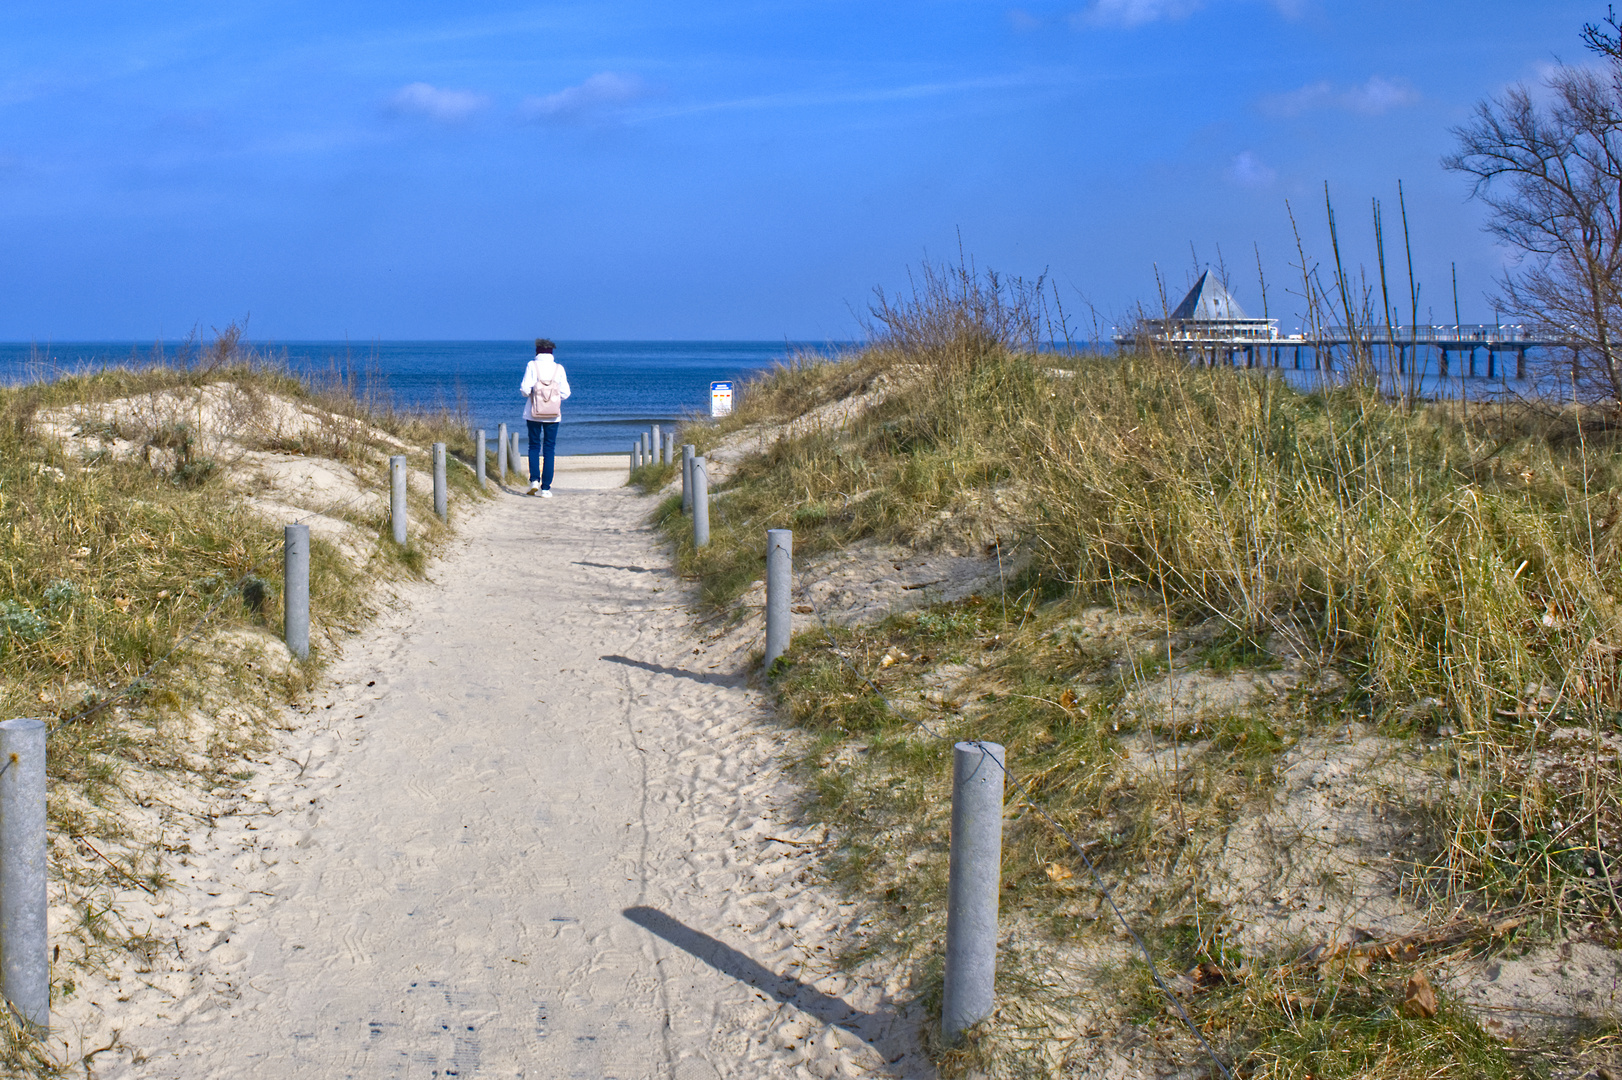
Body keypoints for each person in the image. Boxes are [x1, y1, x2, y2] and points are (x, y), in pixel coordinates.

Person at [519, 338, 571, 496]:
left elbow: (524, 389)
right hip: (553, 415)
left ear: (537, 351)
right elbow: (566, 393)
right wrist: (552, 398)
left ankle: (534, 480)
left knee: (534, 446)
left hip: (533, 413)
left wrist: (536, 395)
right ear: (551, 352)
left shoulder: (532, 365)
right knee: (549, 449)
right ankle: (546, 488)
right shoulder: (558, 368)